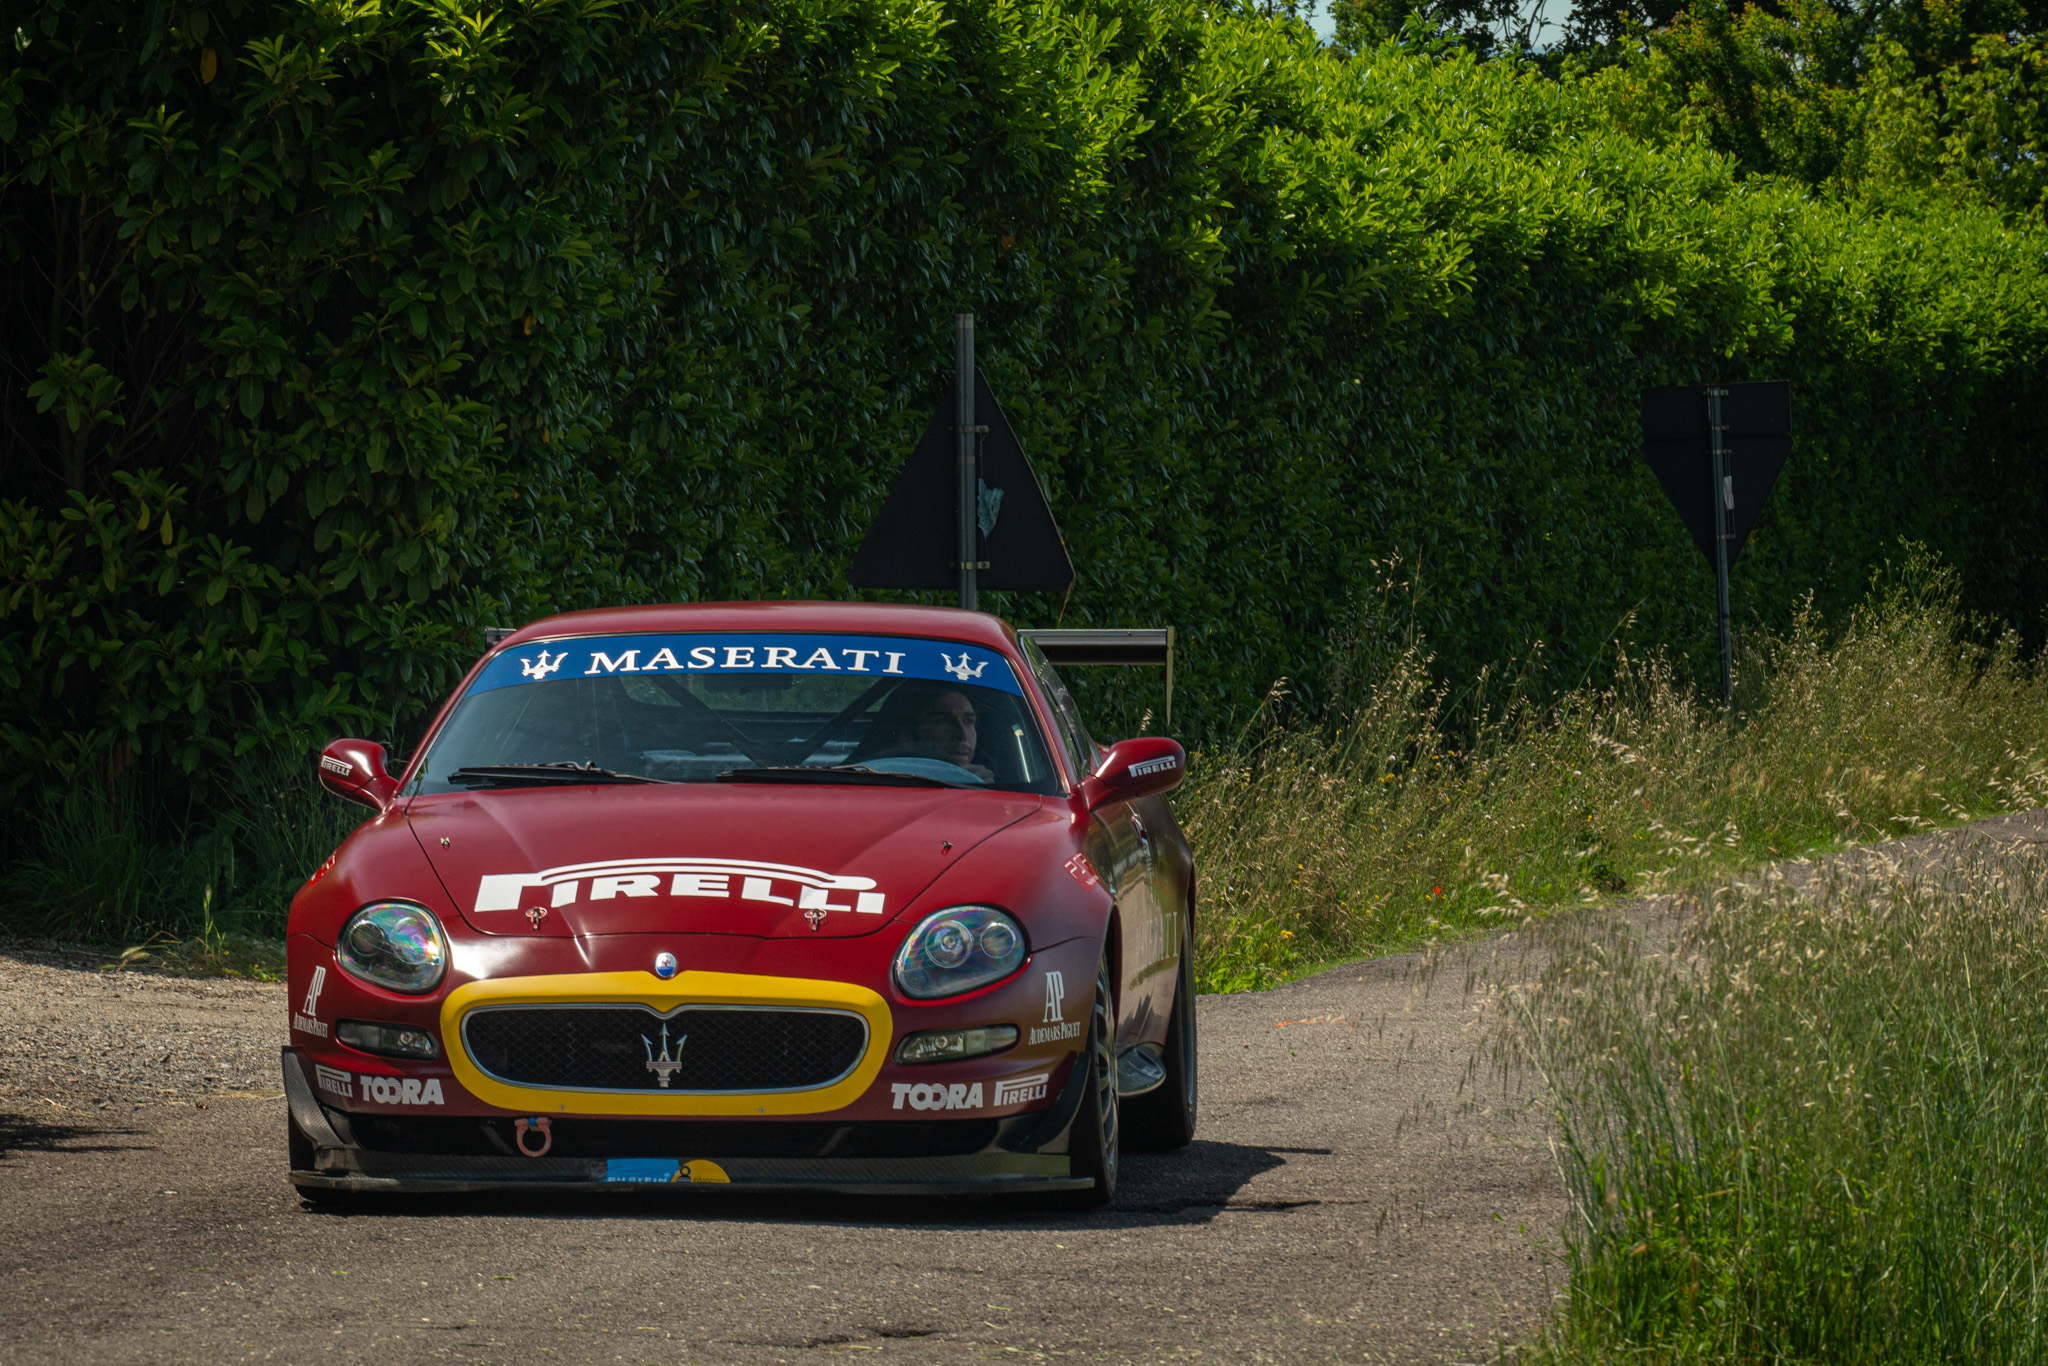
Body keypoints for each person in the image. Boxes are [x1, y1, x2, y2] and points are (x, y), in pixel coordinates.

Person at [863, 683, 993, 780]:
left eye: (969, 721)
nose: (962, 734)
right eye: (942, 721)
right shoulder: (877, 786)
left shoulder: (997, 792)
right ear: (909, 738)